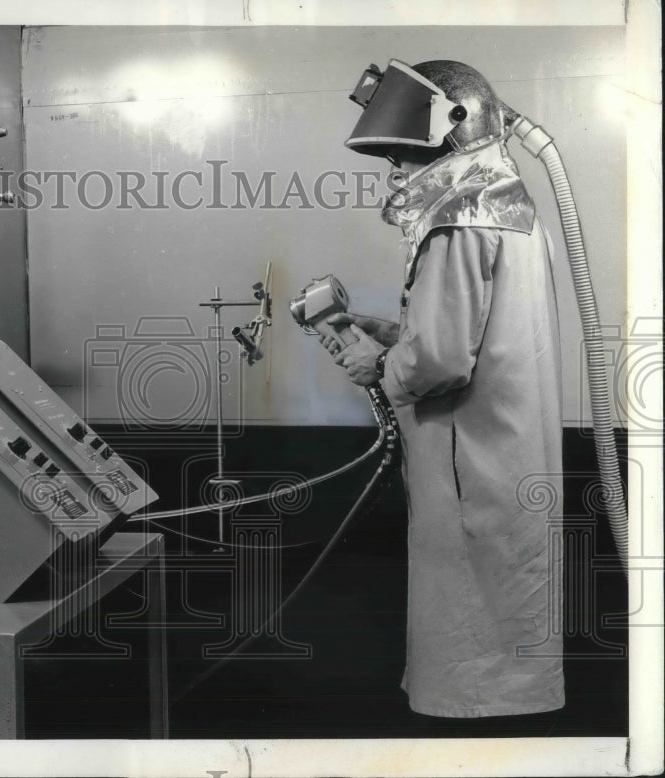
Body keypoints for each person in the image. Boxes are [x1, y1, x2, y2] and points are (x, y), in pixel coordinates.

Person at [324, 59, 564, 718]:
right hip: (506, 451)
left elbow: (438, 361)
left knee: (471, 646)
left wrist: (382, 362)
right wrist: (395, 333)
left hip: (472, 464)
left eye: (403, 153)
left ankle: (474, 737)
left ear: (448, 129)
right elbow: (470, 330)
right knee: (504, 619)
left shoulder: (460, 215)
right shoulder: (507, 204)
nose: (397, 170)